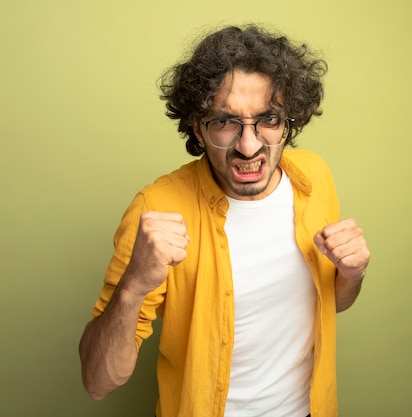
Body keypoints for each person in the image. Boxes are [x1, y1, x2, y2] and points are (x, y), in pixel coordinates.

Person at [79, 24, 370, 417]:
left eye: (268, 119)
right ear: (198, 126)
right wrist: (133, 286)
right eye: (225, 122)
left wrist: (351, 274)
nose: (248, 146)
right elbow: (98, 382)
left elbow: (328, 303)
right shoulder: (158, 208)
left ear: (289, 122)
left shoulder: (314, 177)